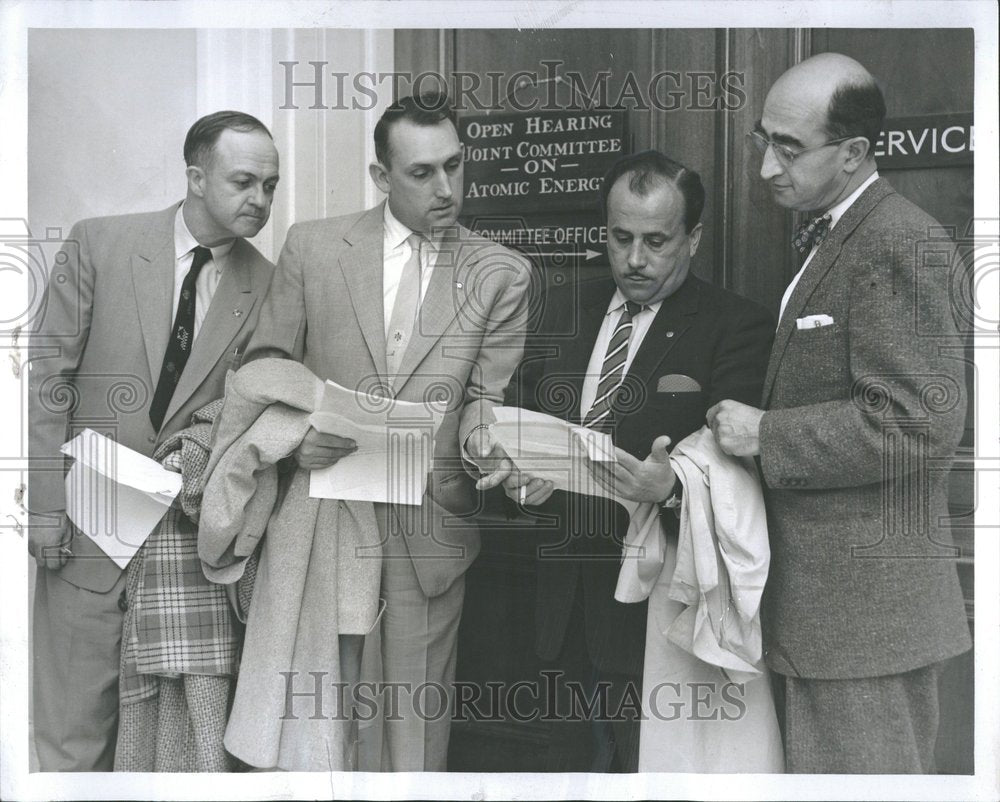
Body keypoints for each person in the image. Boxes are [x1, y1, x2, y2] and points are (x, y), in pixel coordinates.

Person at [243, 92, 532, 771]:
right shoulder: (312, 248)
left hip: (429, 528)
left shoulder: (503, 274)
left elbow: (483, 403)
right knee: (314, 726)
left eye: (456, 167)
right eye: (422, 173)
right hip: (322, 517)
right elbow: (263, 367)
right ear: (381, 177)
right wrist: (293, 440)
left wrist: (486, 444)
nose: (447, 188)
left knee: (413, 736)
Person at [707, 52, 971, 773]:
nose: (766, 167)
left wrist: (766, 433)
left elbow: (918, 420)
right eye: (765, 139)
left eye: (788, 148)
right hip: (835, 618)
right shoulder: (838, 232)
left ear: (853, 154)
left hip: (866, 626)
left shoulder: (896, 241)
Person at [503, 150, 774, 771]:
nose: (633, 259)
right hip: (556, 595)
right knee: (565, 771)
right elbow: (516, 414)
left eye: (656, 241)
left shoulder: (737, 326)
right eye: (620, 237)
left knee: (645, 769)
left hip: (658, 600)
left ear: (694, 238)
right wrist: (511, 465)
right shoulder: (564, 303)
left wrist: (672, 487)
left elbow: (739, 464)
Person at [27, 110, 279, 770]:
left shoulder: (272, 285)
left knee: (163, 753)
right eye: (245, 182)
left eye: (271, 186)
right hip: (84, 532)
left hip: (184, 552)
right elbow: (49, 377)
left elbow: (255, 405)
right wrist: (47, 505)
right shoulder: (97, 244)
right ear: (196, 178)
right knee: (67, 740)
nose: (261, 200)